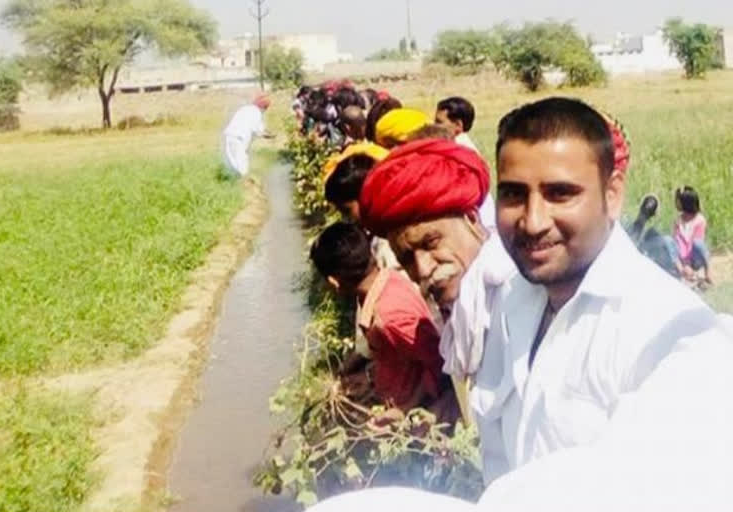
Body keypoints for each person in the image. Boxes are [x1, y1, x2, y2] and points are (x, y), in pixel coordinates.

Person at [309, 98, 733, 512]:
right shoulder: (513, 302)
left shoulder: (675, 336)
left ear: (612, 194)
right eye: (513, 195)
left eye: (560, 194)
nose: (533, 221)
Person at [359, 138, 516, 423]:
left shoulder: (516, 297)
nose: (423, 268)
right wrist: (436, 413)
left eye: (431, 242)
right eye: (406, 258)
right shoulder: (462, 302)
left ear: (471, 219)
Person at [310, 222, 447, 414]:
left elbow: (438, 363)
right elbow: (398, 356)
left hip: (410, 413)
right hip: (390, 395)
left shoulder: (388, 318)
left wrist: (403, 411)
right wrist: (369, 378)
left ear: (334, 282)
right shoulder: (384, 281)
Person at [435, 96, 497, 232]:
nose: (434, 126)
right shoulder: (459, 148)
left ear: (458, 125)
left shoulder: (460, 153)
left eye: (439, 122)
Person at [222, 94, 272, 177]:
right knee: (242, 166)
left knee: (234, 163)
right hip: (239, 139)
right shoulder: (257, 113)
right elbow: (259, 131)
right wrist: (269, 135)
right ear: (263, 107)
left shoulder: (244, 109)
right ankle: (246, 183)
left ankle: (238, 181)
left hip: (229, 136)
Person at [672, 185, 712, 284]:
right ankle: (682, 271)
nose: (676, 203)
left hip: (694, 257)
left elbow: (694, 242)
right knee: (668, 241)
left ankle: (707, 271)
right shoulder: (678, 220)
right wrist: (684, 263)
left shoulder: (699, 220)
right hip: (681, 258)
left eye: (678, 200)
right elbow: (676, 241)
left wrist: (688, 263)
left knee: (698, 243)